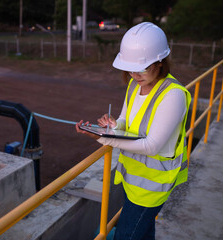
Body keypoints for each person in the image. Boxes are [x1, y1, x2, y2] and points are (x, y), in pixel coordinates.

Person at [76, 22, 191, 240]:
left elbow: (152, 145)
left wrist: (105, 139)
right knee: (144, 233)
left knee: (127, 235)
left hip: (152, 187)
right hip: (132, 179)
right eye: (129, 68)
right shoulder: (134, 85)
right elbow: (124, 120)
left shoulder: (173, 95)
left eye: (141, 68)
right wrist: (113, 126)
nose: (134, 74)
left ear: (160, 61)